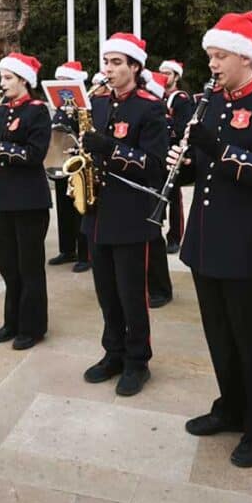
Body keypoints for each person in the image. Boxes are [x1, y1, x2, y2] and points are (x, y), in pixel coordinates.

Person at [170, 11, 252, 468]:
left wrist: (217, 149)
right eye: (210, 56)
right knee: (219, 337)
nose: (213, 64)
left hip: (248, 247)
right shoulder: (213, 102)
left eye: (220, 55)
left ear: (247, 59)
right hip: (207, 242)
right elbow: (205, 171)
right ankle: (231, 406)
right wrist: (184, 161)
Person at [80, 33, 168, 397]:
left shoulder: (150, 108)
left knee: (132, 294)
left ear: (135, 66)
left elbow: (156, 166)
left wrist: (110, 149)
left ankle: (138, 361)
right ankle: (112, 353)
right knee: (106, 293)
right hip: (98, 212)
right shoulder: (98, 104)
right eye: (106, 62)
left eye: (117, 63)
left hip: (131, 214)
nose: (109, 70)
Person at [0, 53, 52, 349]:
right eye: (2, 77)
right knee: (8, 265)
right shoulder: (2, 111)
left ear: (24, 80)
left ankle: (33, 327)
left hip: (31, 199)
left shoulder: (37, 111)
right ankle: (12, 320)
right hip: (7, 198)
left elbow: (35, 154)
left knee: (30, 266)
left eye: (9, 78)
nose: (2, 84)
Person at [47, 61, 91, 273]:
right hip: (61, 160)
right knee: (63, 208)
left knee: (79, 209)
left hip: (78, 162)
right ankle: (67, 249)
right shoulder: (59, 107)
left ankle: (85, 254)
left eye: (66, 81)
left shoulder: (84, 105)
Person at [143, 70, 174, 308]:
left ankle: (161, 288)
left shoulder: (154, 109)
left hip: (152, 182)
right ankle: (149, 284)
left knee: (153, 237)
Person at [158, 59, 194, 254]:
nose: (164, 77)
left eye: (168, 74)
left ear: (176, 76)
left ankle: (175, 236)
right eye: (161, 73)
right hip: (159, 151)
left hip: (173, 151)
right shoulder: (158, 96)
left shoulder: (181, 99)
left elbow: (182, 128)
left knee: (174, 196)